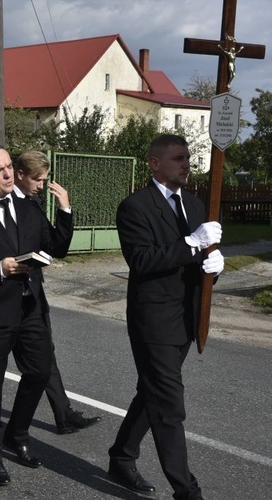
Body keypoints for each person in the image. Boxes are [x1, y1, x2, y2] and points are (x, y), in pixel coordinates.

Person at [107, 134, 224, 500]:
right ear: (155, 164)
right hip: (153, 320)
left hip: (186, 316)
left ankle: (121, 456)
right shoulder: (135, 207)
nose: (186, 163)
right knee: (169, 404)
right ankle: (187, 490)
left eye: (187, 157)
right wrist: (191, 243)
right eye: (178, 158)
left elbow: (199, 259)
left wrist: (214, 267)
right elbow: (142, 261)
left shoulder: (193, 203)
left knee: (152, 392)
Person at [0, 143, 69, 487]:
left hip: (31, 307)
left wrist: (64, 210)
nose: (7, 174)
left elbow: (56, 248)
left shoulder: (29, 207)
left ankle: (16, 433)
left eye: (8, 167)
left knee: (39, 373)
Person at [13, 151, 101, 434]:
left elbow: (56, 247)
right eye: (37, 179)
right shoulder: (4, 201)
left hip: (34, 294)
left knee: (45, 355)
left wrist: (65, 209)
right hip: (6, 295)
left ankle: (64, 416)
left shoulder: (33, 202)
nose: (41, 185)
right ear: (20, 174)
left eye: (44, 180)